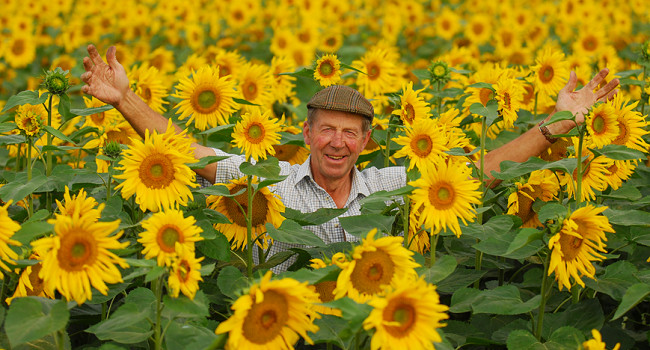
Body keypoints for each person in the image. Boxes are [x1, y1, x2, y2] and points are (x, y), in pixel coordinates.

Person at [80, 44, 619, 269]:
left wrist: (558, 125)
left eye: (351, 134)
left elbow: (483, 171)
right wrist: (124, 100)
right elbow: (188, 153)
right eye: (327, 131)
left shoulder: (389, 187)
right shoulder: (271, 183)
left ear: (366, 142)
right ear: (307, 134)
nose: (338, 142)